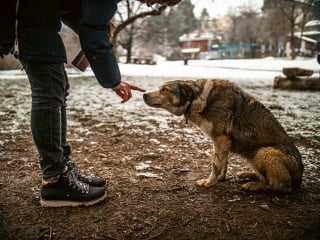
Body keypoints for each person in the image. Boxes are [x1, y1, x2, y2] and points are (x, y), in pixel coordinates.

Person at [0, 0, 181, 207]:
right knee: (49, 93)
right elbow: (91, 31)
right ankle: (55, 179)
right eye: (159, 0)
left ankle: (62, 167)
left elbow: (68, 9)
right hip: (25, 16)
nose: (152, 5)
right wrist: (113, 80)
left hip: (35, 16)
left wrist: (99, 24)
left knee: (57, 89)